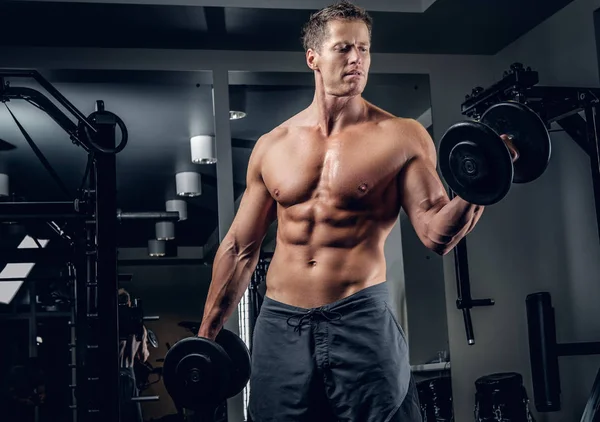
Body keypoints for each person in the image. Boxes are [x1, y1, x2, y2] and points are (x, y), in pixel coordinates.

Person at [198, 1, 508, 421]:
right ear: (313, 58)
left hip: (360, 319)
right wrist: (205, 339)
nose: (357, 59)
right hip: (280, 322)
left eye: (364, 49)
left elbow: (437, 234)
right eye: (344, 48)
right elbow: (238, 249)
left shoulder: (401, 137)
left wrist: (480, 182)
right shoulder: (273, 145)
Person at [118, 288, 150, 422]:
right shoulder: (139, 327)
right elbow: (143, 357)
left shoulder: (112, 325)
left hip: (112, 375)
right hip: (129, 373)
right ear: (129, 303)